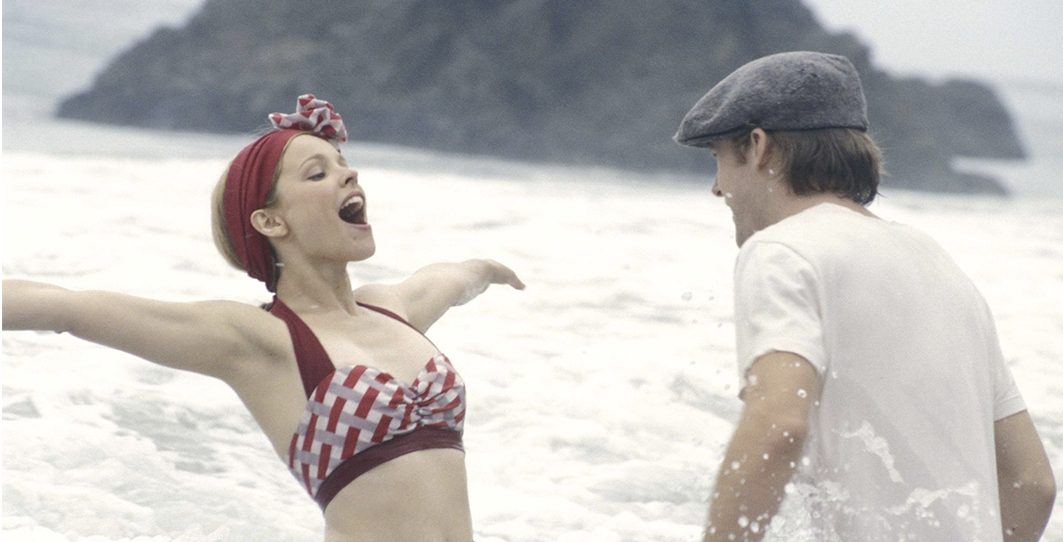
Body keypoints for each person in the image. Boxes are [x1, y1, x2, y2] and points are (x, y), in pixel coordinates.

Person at [2, 95, 525, 542]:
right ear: (271, 221)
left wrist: (484, 269)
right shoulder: (261, 340)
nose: (349, 173)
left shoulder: (390, 308)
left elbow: (450, 279)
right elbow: (69, 307)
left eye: (342, 163)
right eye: (318, 173)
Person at [673, 52, 1055, 541]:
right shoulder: (937, 263)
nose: (716, 187)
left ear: (758, 147)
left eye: (718, 159)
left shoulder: (783, 252)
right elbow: (1032, 482)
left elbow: (778, 425)